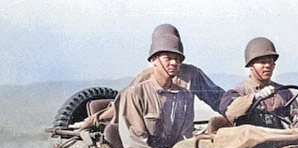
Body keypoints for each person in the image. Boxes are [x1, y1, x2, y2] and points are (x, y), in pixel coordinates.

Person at [80, 24, 226, 132]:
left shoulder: (192, 74)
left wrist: (236, 113)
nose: (173, 62)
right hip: (151, 135)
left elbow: (217, 98)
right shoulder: (145, 78)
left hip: (180, 135)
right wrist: (95, 119)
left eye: (175, 57)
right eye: (166, 56)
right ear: (155, 57)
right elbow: (122, 105)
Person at [117, 26, 197, 148]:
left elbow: (186, 138)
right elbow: (136, 142)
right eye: (168, 58)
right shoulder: (135, 93)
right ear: (154, 60)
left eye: (177, 59)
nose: (174, 63)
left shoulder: (185, 97)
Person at [219, 37, 298, 129]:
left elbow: (296, 124)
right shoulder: (239, 92)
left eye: (270, 62)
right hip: (251, 140)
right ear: (251, 65)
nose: (267, 66)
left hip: (280, 139)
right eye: (262, 62)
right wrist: (255, 97)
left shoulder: (284, 93)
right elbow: (230, 113)